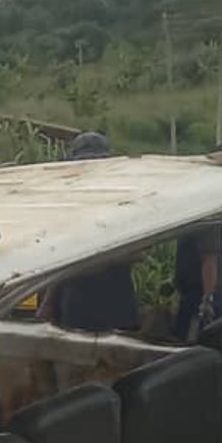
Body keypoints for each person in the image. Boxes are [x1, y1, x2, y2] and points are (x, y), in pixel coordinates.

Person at [42, 132, 141, 334]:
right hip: (75, 301)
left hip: (115, 301)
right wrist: (49, 300)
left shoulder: (123, 203)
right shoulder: (69, 204)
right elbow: (58, 256)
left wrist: (94, 258)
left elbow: (139, 251)